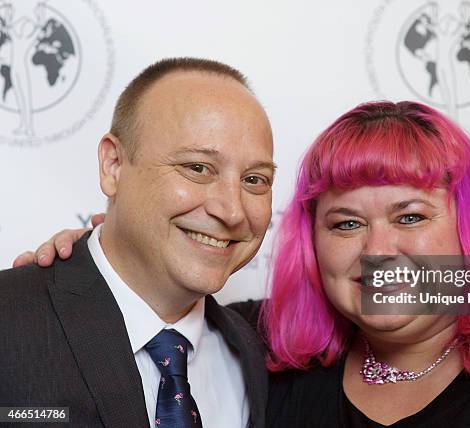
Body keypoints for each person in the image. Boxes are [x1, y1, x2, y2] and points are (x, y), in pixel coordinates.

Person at [16, 101, 470, 427]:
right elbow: (140, 297)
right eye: (346, 223)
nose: (377, 249)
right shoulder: (262, 351)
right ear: (313, 244)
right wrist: (93, 259)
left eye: (409, 217)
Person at [1, 57, 275, 428]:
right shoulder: (11, 320)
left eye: (255, 180)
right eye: (197, 168)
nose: (231, 210)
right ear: (113, 165)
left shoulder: (258, 349)